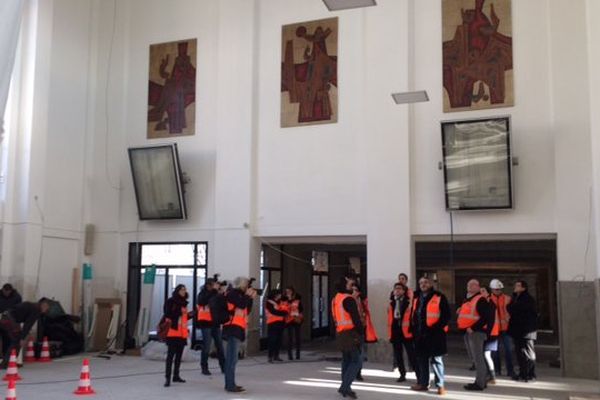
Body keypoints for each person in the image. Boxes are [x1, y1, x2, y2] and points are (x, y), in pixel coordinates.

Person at [410, 276, 451, 396]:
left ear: (431, 284)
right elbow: (414, 314)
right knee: (422, 360)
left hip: (435, 334)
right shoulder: (416, 297)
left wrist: (435, 329)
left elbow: (446, 316)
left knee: (436, 360)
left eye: (426, 282)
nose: (423, 284)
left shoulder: (439, 297)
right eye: (421, 282)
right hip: (420, 334)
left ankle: (440, 386)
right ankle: (423, 384)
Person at [222, 277, 257, 393]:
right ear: (241, 285)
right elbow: (241, 305)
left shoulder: (240, 295)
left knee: (233, 359)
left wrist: (251, 298)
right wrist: (247, 295)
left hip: (237, 328)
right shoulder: (232, 294)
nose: (247, 287)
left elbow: (248, 309)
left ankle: (230, 384)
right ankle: (230, 385)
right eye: (246, 284)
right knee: (231, 359)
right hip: (232, 328)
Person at [458, 279, 493, 391]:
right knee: (476, 358)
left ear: (478, 287)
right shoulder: (469, 299)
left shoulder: (480, 299)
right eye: (468, 284)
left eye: (472, 285)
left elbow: (485, 317)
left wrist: (472, 328)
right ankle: (482, 379)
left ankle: (480, 383)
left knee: (478, 358)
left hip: (476, 333)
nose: (469, 286)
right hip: (469, 332)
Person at [332, 277, 364, 399]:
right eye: (351, 284)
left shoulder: (337, 298)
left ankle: (346, 386)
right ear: (345, 285)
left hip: (340, 332)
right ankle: (345, 387)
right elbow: (356, 319)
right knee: (356, 361)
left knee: (346, 360)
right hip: (350, 333)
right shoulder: (349, 299)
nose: (352, 286)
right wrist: (361, 333)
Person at [0, 299, 50, 368]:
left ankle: (10, 361)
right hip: (10, 319)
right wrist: (22, 338)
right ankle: (8, 363)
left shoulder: (31, 305)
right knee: (17, 341)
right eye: (47, 308)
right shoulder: (36, 310)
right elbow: (28, 324)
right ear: (43, 305)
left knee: (10, 340)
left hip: (5, 316)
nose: (46, 310)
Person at [508, 280, 537, 382]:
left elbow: (515, 310)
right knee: (521, 353)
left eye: (518, 286)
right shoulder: (517, 298)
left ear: (523, 288)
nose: (515, 287)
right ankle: (524, 373)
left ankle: (527, 374)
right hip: (520, 331)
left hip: (525, 331)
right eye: (515, 285)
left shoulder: (527, 299)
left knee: (527, 353)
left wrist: (511, 306)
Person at [387, 282, 416, 382]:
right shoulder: (392, 303)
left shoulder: (409, 302)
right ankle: (402, 374)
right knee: (398, 355)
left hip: (407, 332)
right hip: (395, 331)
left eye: (399, 288)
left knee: (411, 354)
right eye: (395, 289)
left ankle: (418, 373)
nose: (397, 290)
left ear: (404, 291)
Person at [163, 284, 191, 387]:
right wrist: (178, 312)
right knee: (170, 356)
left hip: (182, 333)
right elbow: (167, 314)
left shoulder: (184, 303)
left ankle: (176, 375)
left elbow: (183, 318)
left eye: (185, 289)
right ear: (177, 291)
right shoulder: (171, 301)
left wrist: (190, 315)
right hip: (172, 332)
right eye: (182, 289)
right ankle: (167, 378)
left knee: (179, 356)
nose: (184, 291)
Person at [197, 278, 225, 375]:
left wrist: (221, 293)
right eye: (213, 285)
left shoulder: (216, 294)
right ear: (208, 285)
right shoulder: (202, 294)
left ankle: (223, 367)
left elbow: (222, 305)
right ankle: (204, 367)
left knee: (220, 346)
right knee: (207, 346)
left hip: (215, 323)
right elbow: (202, 301)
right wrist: (214, 291)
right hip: (205, 323)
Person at [489, 278, 514, 377]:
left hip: (506, 329)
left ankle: (510, 371)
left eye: (499, 289)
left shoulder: (508, 299)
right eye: (496, 289)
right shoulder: (488, 300)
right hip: (494, 330)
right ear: (491, 289)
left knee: (509, 350)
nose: (498, 291)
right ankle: (497, 370)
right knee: (495, 352)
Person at [480, 286, 500, 385]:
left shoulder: (490, 303)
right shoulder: (487, 302)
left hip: (491, 333)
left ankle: (492, 376)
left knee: (486, 355)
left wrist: (487, 333)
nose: (481, 293)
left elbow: (490, 321)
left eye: (483, 291)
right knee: (486, 355)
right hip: (490, 332)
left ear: (488, 292)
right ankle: (490, 376)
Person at [266, 289, 288, 363]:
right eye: (279, 294)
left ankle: (276, 355)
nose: (280, 295)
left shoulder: (280, 302)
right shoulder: (269, 302)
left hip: (280, 323)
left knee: (279, 340)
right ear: (275, 295)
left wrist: (282, 312)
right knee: (272, 340)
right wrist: (282, 313)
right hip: (272, 323)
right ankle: (270, 356)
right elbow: (273, 311)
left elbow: (285, 311)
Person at [284, 286, 303, 360]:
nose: (288, 293)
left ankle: (298, 354)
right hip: (289, 320)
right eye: (286, 291)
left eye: (289, 291)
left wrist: (299, 316)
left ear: (292, 291)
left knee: (297, 337)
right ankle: (290, 355)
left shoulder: (297, 299)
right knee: (290, 338)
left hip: (296, 319)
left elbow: (301, 309)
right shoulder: (284, 300)